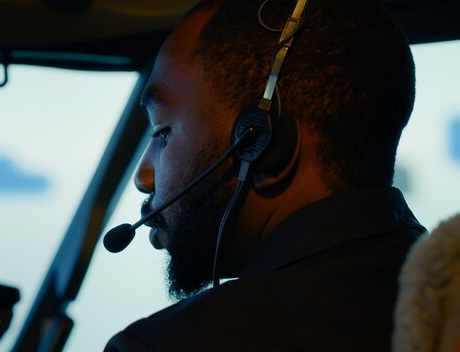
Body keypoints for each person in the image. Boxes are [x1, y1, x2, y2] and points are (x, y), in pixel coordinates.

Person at [105, 0, 425, 350]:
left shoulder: (174, 343)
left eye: (162, 131)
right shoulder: (441, 293)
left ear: (259, 141)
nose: (143, 177)